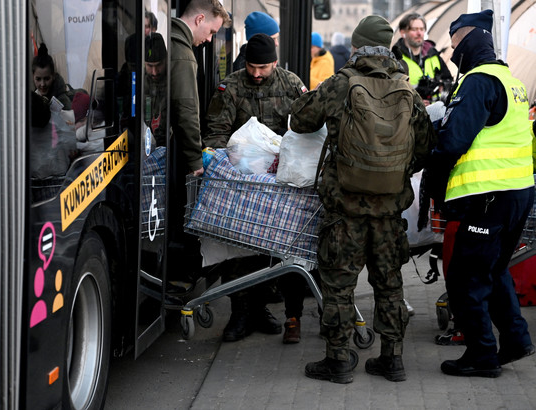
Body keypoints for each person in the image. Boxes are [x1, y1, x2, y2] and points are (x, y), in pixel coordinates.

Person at [290, 15, 435, 383]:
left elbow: (300, 121)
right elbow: (424, 147)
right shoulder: (407, 87)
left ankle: (338, 360)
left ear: (356, 46)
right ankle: (393, 359)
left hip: (345, 208)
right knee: (389, 283)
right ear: (388, 47)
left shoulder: (342, 82)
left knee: (339, 284)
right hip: (389, 210)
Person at [423, 9, 535, 379]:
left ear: (468, 43)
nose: (452, 54)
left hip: (487, 197)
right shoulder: (510, 79)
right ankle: (517, 340)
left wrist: (433, 177)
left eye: (455, 46)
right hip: (517, 192)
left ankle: (482, 354)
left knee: (465, 277)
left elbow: (454, 140)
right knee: (494, 269)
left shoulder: (477, 81)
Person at [204, 33, 308, 343]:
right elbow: (216, 132)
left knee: (271, 251)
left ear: (275, 63)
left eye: (263, 67)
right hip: (241, 181)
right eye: (252, 66)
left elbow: (307, 130)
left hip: (280, 181)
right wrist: (226, 168)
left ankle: (260, 308)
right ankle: (240, 312)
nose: (257, 73)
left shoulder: (291, 85)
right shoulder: (231, 86)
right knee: (237, 250)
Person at [168, 0, 230, 286]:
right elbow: (186, 110)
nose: (209, 40)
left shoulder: (163, 40)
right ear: (199, 19)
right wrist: (195, 160)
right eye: (210, 31)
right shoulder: (182, 53)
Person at [391, 13, 452, 104]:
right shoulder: (396, 57)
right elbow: (392, 92)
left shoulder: (433, 54)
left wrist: (442, 89)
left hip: (435, 112)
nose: (419, 33)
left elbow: (448, 81)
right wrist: (416, 102)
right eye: (414, 29)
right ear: (403, 32)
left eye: (422, 29)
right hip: (410, 113)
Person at [32, 43, 72, 110]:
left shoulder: (64, 101)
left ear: (53, 76)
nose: (42, 84)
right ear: (33, 77)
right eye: (38, 79)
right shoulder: (34, 99)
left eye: (47, 79)